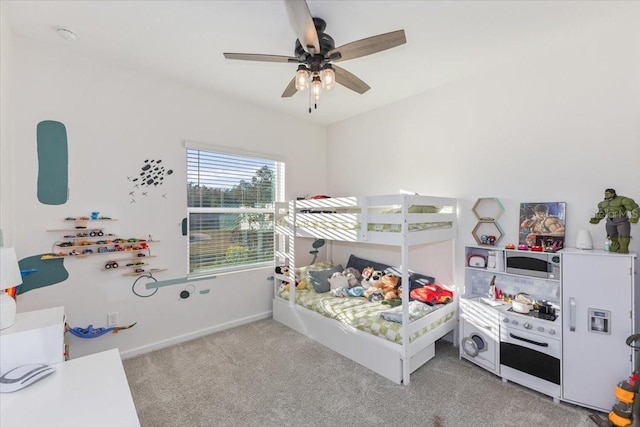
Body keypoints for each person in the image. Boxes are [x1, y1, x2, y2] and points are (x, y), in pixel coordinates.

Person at [589, 188, 639, 254]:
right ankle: (616, 251)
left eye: (608, 193)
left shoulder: (622, 200)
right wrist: (596, 218)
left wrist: (634, 217)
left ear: (613, 193)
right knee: (613, 238)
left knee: (623, 238)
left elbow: (635, 207)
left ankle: (623, 251)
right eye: (605, 193)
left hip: (621, 221)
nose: (606, 195)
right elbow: (601, 213)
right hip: (610, 221)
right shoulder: (602, 203)